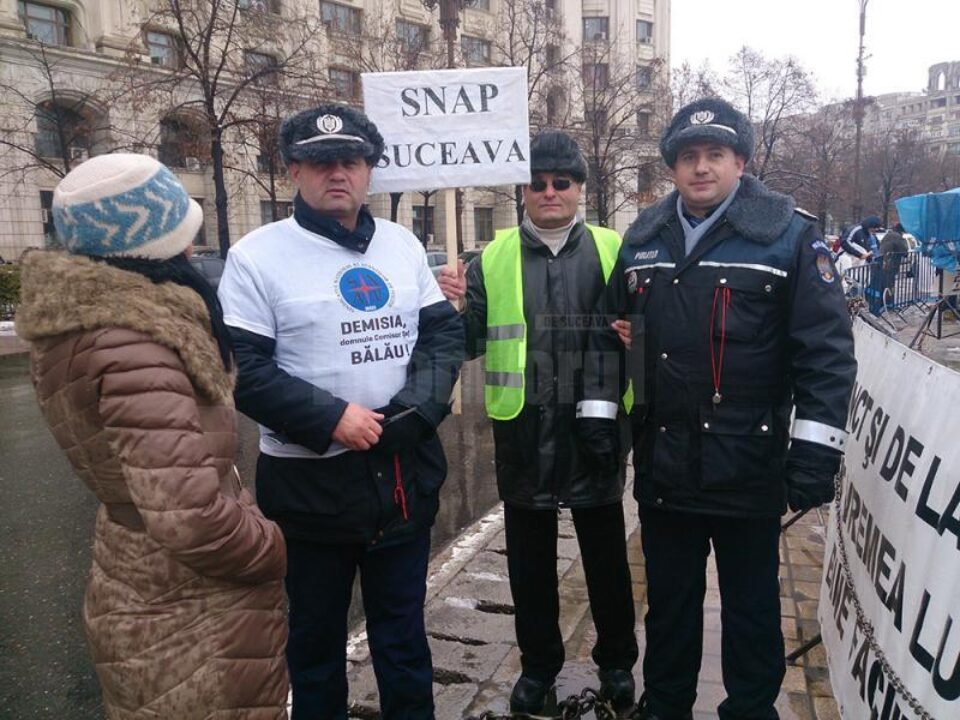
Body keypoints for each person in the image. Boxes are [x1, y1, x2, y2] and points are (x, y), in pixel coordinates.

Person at [583, 98, 857, 720]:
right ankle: (667, 704)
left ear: (740, 161)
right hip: (666, 464)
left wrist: (814, 453)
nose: (700, 168)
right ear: (672, 168)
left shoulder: (789, 238)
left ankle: (751, 709)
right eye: (688, 157)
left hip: (748, 464)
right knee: (671, 603)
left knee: (753, 608)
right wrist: (601, 420)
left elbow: (826, 355)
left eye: (714, 155)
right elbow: (609, 336)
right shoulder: (644, 239)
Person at [15, 154, 289, 718]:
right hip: (187, 604)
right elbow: (189, 518)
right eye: (185, 231)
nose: (193, 247)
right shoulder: (137, 345)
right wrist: (270, 547)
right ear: (156, 245)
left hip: (140, 576)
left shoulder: (90, 325)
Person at [217, 103, 464, 720]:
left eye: (351, 161)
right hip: (311, 487)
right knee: (316, 646)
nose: (338, 174)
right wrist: (331, 418)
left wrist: (418, 409)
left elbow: (441, 338)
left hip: (401, 477)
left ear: (369, 170)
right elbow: (242, 369)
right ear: (293, 170)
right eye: (321, 162)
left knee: (403, 639)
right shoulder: (257, 255)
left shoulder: (403, 245)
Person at [437, 130, 638, 715]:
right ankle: (538, 668)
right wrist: (456, 304)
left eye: (562, 182)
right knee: (530, 567)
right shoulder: (491, 258)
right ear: (523, 190)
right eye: (537, 182)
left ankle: (617, 662)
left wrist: (635, 353)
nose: (549, 192)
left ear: (579, 188)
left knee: (605, 561)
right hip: (523, 432)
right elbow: (470, 342)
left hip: (595, 429)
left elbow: (642, 337)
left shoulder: (613, 249)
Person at [879, 222, 909, 296]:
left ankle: (884, 302)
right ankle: (889, 303)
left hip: (883, 262)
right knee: (889, 284)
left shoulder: (888, 235)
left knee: (883, 284)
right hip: (891, 264)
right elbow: (905, 251)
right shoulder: (897, 237)